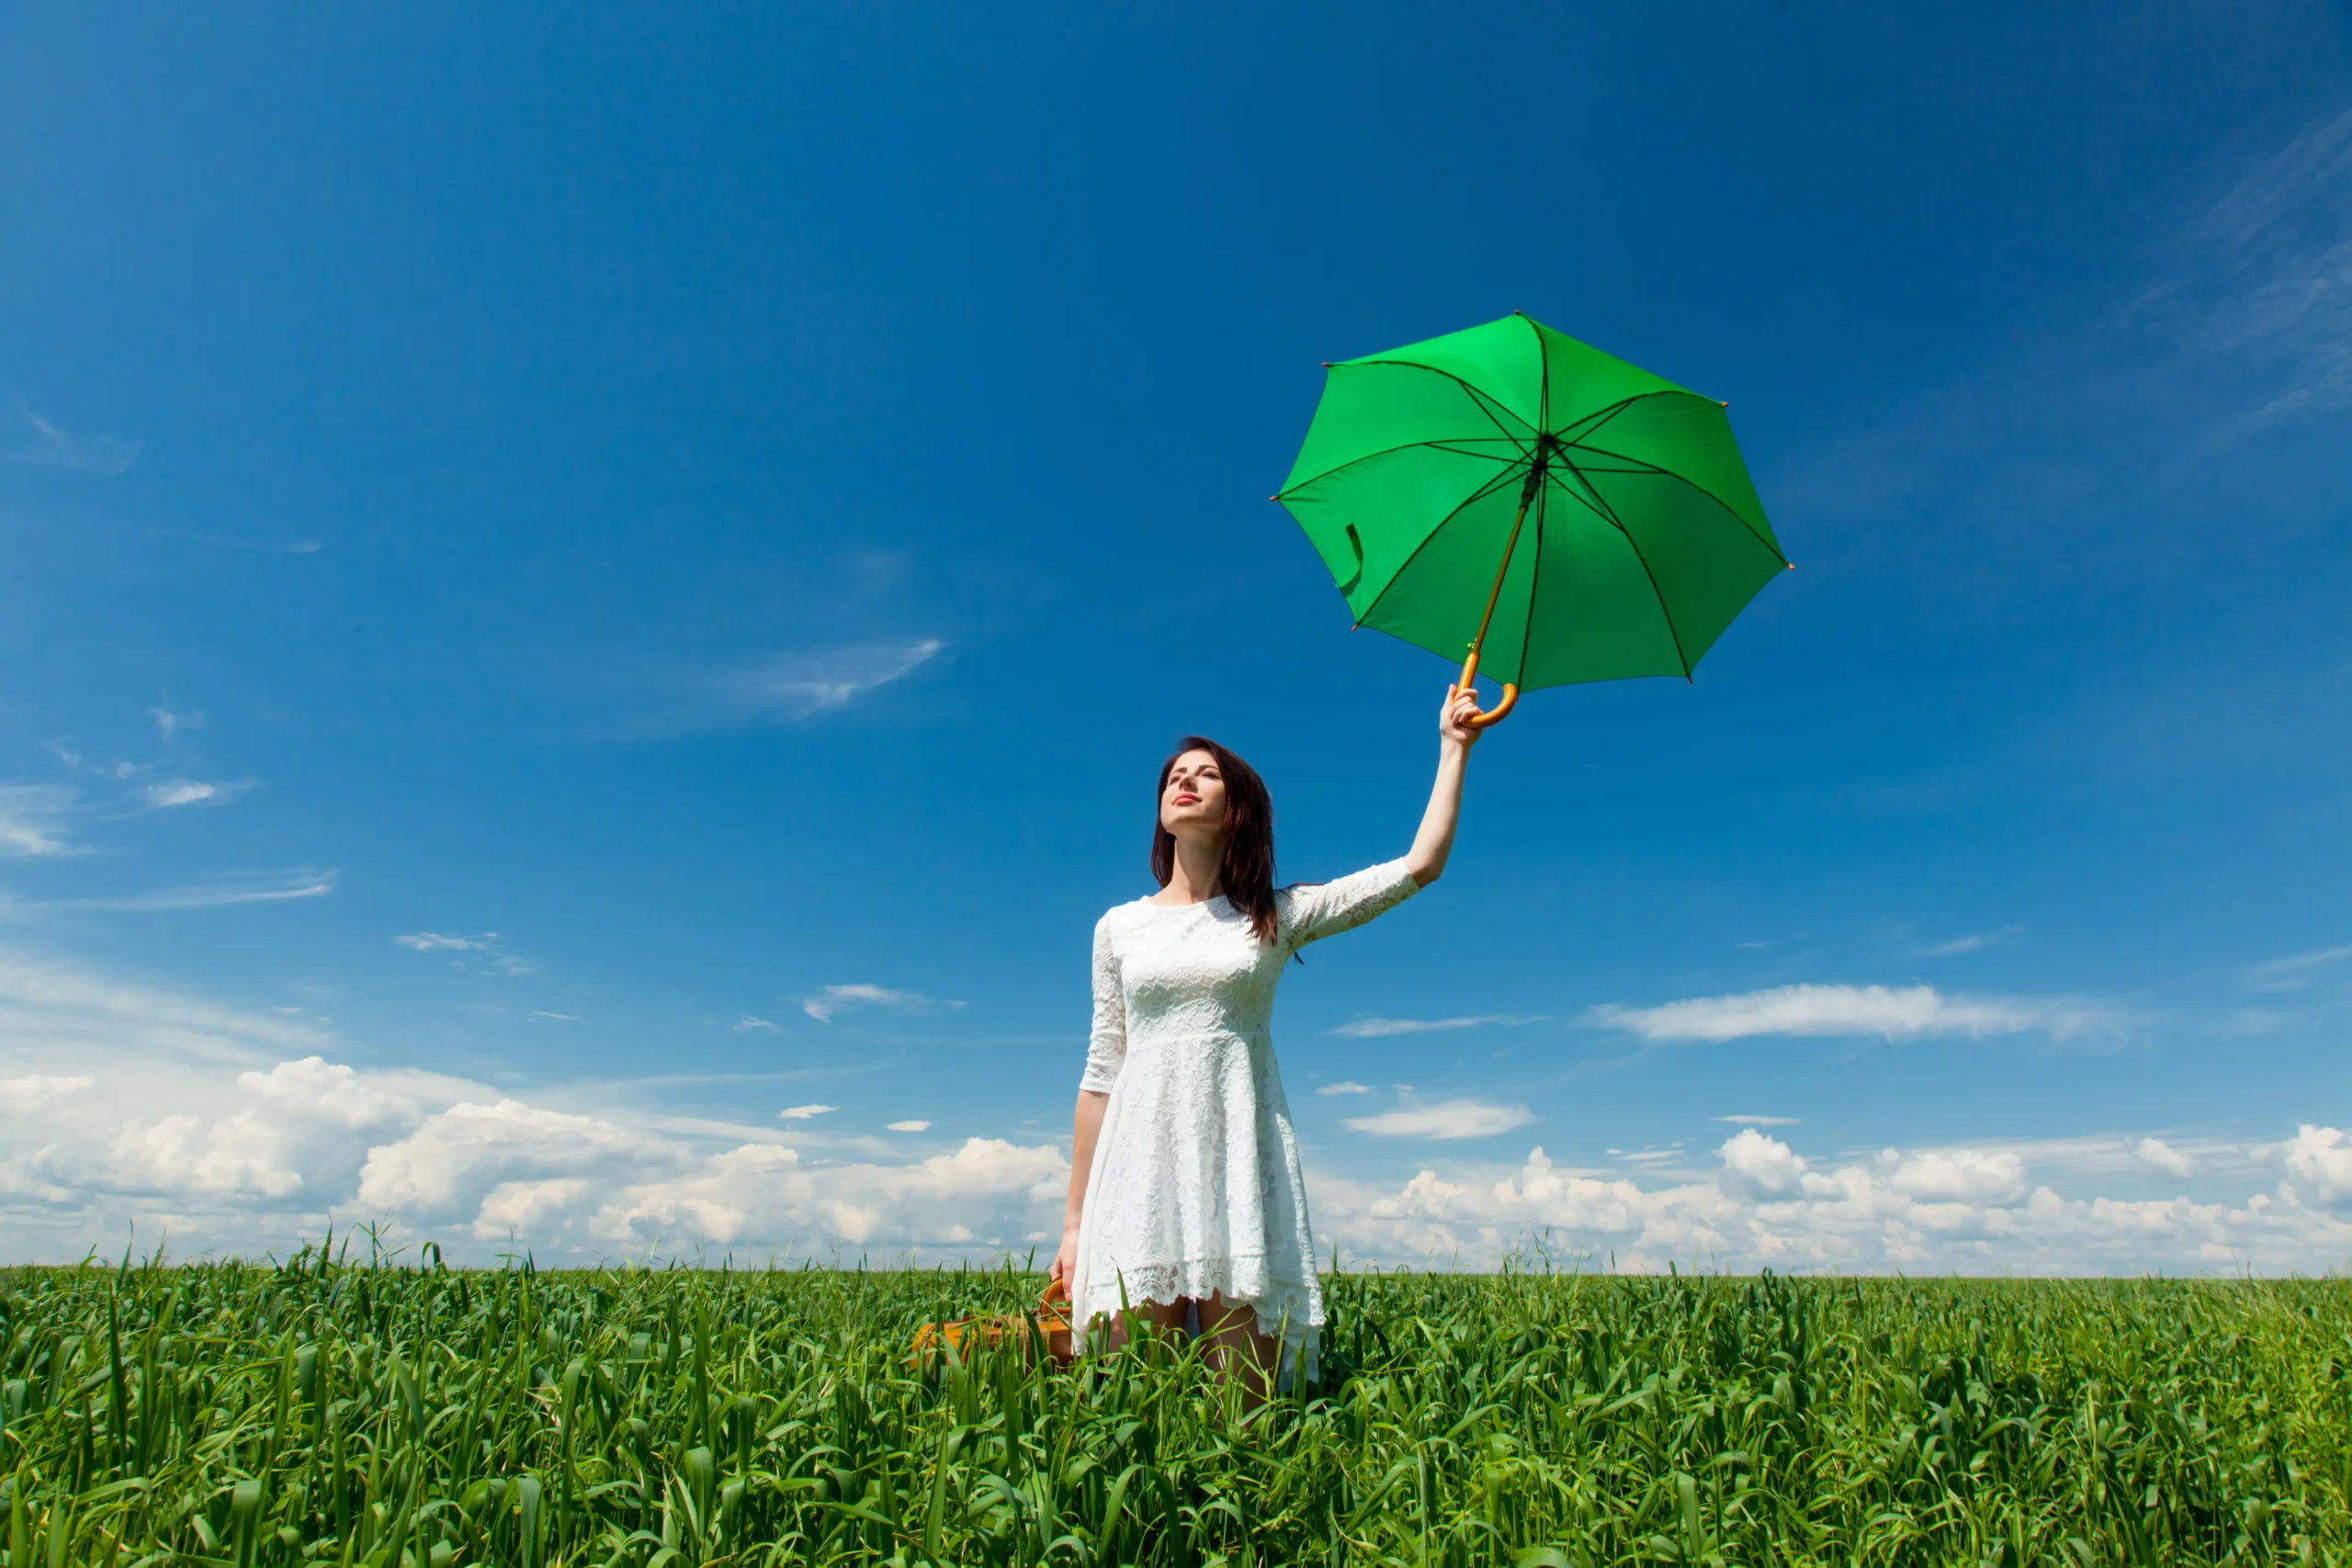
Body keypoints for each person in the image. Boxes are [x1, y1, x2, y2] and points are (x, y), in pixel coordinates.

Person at [1047, 686, 1483, 1398]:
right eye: (1172, 777)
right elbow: (1101, 1073)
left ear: (1237, 807)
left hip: (1235, 1162)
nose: (1182, 780)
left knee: (1238, 1407)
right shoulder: (1117, 927)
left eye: (1204, 773)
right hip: (1140, 1168)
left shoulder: (1272, 915)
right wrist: (1073, 1225)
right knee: (1135, 1402)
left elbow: (1418, 866)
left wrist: (1453, 747)